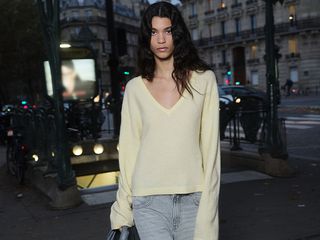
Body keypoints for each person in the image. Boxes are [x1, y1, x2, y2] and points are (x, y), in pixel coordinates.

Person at [110, 2, 221, 240]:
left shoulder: (204, 81)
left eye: (167, 31)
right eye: (154, 32)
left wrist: (209, 212)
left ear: (177, 34)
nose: (161, 39)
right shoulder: (135, 89)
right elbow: (129, 153)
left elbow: (211, 152)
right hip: (148, 202)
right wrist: (121, 211)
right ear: (146, 38)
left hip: (194, 200)